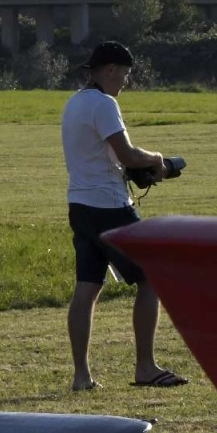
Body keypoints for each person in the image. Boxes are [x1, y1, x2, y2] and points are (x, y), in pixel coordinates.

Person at [61, 41, 187, 392]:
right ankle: (146, 367)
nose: (126, 82)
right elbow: (128, 154)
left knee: (87, 287)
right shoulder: (104, 104)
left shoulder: (74, 103)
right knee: (153, 276)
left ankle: (81, 376)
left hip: (80, 206)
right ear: (111, 69)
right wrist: (157, 160)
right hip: (109, 206)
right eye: (126, 74)